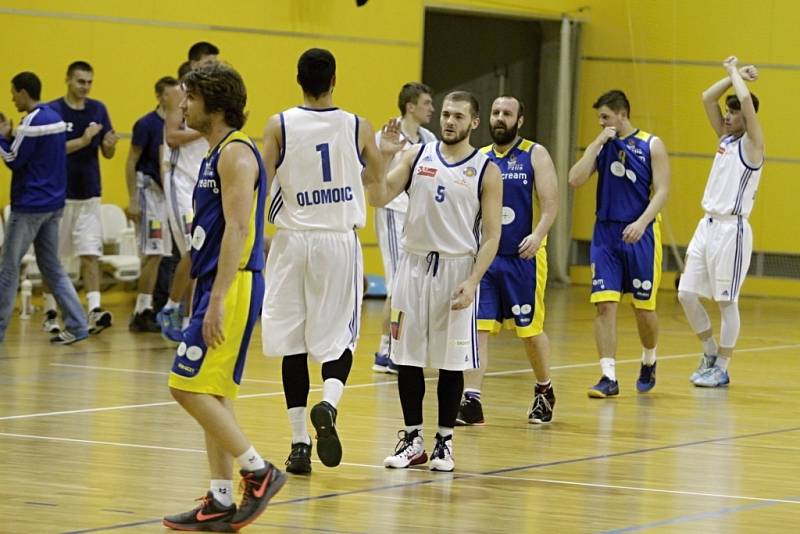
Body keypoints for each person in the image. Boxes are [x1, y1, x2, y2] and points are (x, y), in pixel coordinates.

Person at [162, 63, 285, 531]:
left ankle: (258, 469)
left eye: (189, 97)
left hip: (231, 286)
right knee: (211, 390)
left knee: (183, 385)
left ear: (213, 103)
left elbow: (238, 229)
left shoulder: (237, 154)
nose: (182, 105)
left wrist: (216, 299)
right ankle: (218, 496)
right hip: (218, 282)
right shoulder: (215, 152)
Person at [261, 48, 390, 475]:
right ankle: (328, 405)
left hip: (291, 241)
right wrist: (385, 152)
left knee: (293, 345)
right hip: (337, 241)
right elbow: (380, 188)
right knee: (341, 338)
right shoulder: (359, 127)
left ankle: (299, 444)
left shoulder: (278, 125)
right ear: (335, 80)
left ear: (298, 80)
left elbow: (261, 184)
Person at [377, 91, 502, 472]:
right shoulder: (416, 156)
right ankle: (412, 439)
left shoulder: (486, 169)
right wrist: (382, 155)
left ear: (474, 123)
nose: (449, 121)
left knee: (451, 362)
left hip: (456, 269)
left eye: (458, 116)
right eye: (446, 114)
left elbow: (493, 235)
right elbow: (379, 195)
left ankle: (444, 441)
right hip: (413, 267)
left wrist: (474, 280)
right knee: (406, 357)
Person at [456, 95, 558, 426]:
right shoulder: (480, 158)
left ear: (520, 119)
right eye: (496, 112)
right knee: (478, 328)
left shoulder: (534, 154)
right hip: (487, 259)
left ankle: (544, 390)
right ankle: (471, 400)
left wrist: (539, 234)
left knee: (529, 331)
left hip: (522, 258)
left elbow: (551, 202)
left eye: (507, 113)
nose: (500, 118)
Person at [568, 89, 670, 398]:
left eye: (605, 118)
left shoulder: (651, 144)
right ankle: (608, 376)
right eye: (600, 118)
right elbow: (574, 179)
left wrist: (641, 223)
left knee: (643, 308)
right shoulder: (602, 145)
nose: (602, 123)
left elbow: (663, 191)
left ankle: (649, 359)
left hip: (641, 232)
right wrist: (596, 144)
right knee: (604, 306)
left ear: (622, 114)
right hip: (606, 235)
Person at [678, 57, 764, 388]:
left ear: (747, 117)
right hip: (707, 226)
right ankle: (710, 352)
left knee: (727, 301)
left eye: (734, 113)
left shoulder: (753, 145)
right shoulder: (725, 139)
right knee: (686, 293)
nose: (727, 116)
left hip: (733, 229)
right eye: (726, 113)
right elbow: (706, 97)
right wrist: (734, 76)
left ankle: (724, 365)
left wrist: (734, 73)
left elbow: (746, 100)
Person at [0, 72, 89, 345]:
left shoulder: (32, 122)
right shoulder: (56, 119)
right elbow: (40, 154)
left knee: (8, 268)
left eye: (14, 92)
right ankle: (77, 323)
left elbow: (14, 158)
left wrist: (1, 138)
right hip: (53, 204)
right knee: (52, 267)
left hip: (29, 206)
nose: (12, 98)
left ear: (25, 92)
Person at [45, 61, 118, 335]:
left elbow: (107, 152)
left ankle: (94, 310)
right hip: (60, 196)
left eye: (89, 82)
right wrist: (84, 140)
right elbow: (52, 151)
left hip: (90, 194)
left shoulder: (98, 109)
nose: (85, 87)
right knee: (55, 258)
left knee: (90, 254)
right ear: (67, 80)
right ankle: (51, 312)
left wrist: (108, 146)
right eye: (80, 81)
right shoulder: (52, 111)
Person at [372, 82, 436, 374]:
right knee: (397, 282)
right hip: (392, 212)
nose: (431, 109)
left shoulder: (429, 138)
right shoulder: (388, 133)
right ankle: (385, 349)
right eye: (426, 103)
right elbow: (372, 175)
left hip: (416, 216)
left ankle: (397, 346)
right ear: (410, 107)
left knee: (410, 283)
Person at [156, 62, 209, 343]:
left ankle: (189, 320)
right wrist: (204, 129)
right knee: (194, 249)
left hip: (202, 182)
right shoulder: (181, 96)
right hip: (180, 183)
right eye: (209, 62)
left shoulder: (211, 100)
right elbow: (172, 137)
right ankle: (171, 307)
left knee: (201, 251)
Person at [125, 76, 179, 332]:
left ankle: (150, 307)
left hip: (168, 197)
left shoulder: (180, 125)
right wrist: (133, 200)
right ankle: (141, 309)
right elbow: (130, 162)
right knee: (153, 252)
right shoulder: (146, 124)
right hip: (150, 194)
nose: (177, 98)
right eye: (171, 94)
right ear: (160, 96)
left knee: (162, 254)